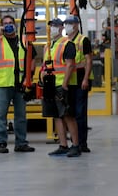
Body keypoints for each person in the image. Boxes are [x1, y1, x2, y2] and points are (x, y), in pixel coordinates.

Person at [0, 15, 37, 153]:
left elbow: (33, 58)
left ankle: (21, 143)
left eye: (10, 23)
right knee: (0, 115)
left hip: (20, 84)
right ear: (1, 26)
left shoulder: (24, 40)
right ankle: (1, 143)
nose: (8, 25)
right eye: (5, 23)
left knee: (20, 116)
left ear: (15, 25)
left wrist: (29, 77)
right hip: (3, 84)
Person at [43, 17, 81, 157]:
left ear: (61, 28)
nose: (52, 28)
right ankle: (63, 145)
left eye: (55, 26)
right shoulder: (48, 45)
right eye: (51, 25)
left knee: (67, 115)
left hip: (63, 85)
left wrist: (65, 83)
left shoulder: (67, 44)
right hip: (51, 85)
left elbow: (70, 65)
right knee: (57, 116)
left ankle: (76, 145)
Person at [66, 15, 93, 153]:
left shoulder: (83, 40)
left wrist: (86, 79)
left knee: (80, 113)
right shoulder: (65, 41)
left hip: (81, 78)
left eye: (70, 23)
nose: (67, 25)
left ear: (76, 25)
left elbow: (89, 60)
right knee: (70, 113)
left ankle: (82, 143)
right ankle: (74, 142)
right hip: (70, 79)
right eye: (66, 23)